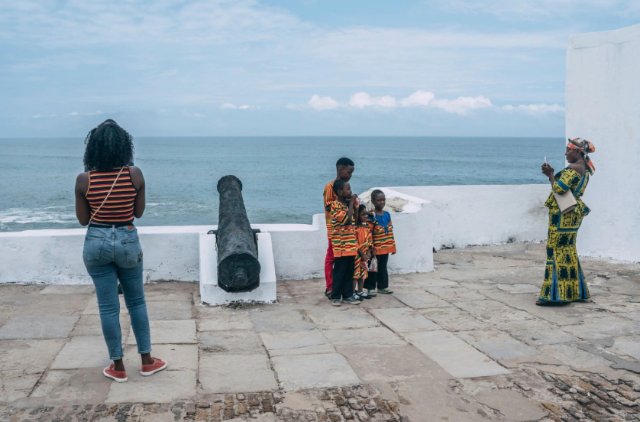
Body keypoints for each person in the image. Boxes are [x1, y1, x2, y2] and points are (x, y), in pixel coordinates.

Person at [75, 119, 166, 382]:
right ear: (125, 147)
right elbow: (138, 213)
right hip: (126, 238)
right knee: (136, 302)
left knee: (107, 307)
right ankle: (147, 361)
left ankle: (117, 366)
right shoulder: (134, 175)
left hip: (96, 240)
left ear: (93, 149)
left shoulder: (84, 180)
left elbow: (83, 220)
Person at [537, 138, 596, 306]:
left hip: (562, 213)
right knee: (568, 250)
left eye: (568, 150)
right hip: (574, 212)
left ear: (577, 152)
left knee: (555, 249)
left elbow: (559, 189)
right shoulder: (585, 169)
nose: (566, 153)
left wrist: (550, 175)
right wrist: (553, 175)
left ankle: (556, 295)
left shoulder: (573, 169)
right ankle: (575, 292)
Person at [322, 157, 355, 298]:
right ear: (341, 169)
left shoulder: (345, 186)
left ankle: (339, 288)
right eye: (349, 172)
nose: (350, 175)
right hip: (334, 229)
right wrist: (348, 202)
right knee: (331, 258)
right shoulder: (330, 187)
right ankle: (330, 286)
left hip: (345, 232)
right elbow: (329, 206)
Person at [329, 179, 361, 306]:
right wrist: (352, 203)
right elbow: (346, 220)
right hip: (341, 245)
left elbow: (355, 219)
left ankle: (348, 294)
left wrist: (355, 206)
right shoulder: (335, 205)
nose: (351, 191)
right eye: (348, 189)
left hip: (350, 244)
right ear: (340, 192)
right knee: (339, 271)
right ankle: (335, 296)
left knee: (349, 271)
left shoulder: (348, 205)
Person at [365, 190, 397, 295]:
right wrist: (370, 248)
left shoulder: (387, 214)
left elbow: (390, 231)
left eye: (383, 200)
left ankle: (382, 286)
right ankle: (370, 288)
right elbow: (368, 233)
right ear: (373, 201)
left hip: (386, 247)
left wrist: (393, 246)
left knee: (383, 267)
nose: (382, 202)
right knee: (373, 268)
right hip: (375, 248)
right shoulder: (371, 215)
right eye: (379, 200)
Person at [354, 205, 374, 300]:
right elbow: (355, 242)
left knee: (362, 273)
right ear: (357, 216)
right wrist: (362, 254)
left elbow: (370, 241)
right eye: (363, 214)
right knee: (355, 273)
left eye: (366, 214)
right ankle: (353, 291)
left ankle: (360, 291)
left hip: (365, 254)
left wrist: (369, 252)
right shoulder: (356, 228)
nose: (366, 216)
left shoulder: (367, 227)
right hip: (357, 255)